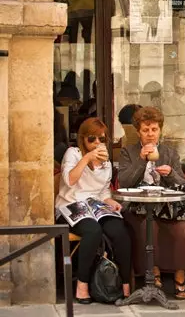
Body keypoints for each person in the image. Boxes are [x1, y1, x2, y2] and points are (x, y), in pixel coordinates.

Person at [117, 106, 185, 299]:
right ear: (138, 132)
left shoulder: (169, 153)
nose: (150, 134)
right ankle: (154, 273)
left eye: (154, 129)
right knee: (148, 227)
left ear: (160, 130)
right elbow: (124, 182)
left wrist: (171, 174)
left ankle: (180, 275)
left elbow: (182, 184)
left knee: (182, 227)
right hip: (138, 206)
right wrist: (141, 161)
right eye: (145, 130)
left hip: (166, 206)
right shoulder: (128, 152)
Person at [55, 118, 131, 303]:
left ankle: (125, 285)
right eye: (92, 139)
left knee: (119, 230)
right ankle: (83, 284)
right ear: (83, 139)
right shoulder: (72, 153)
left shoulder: (105, 163)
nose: (97, 143)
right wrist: (87, 158)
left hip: (95, 205)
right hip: (70, 205)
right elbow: (69, 180)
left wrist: (110, 201)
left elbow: (103, 191)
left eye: (101, 139)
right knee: (93, 231)